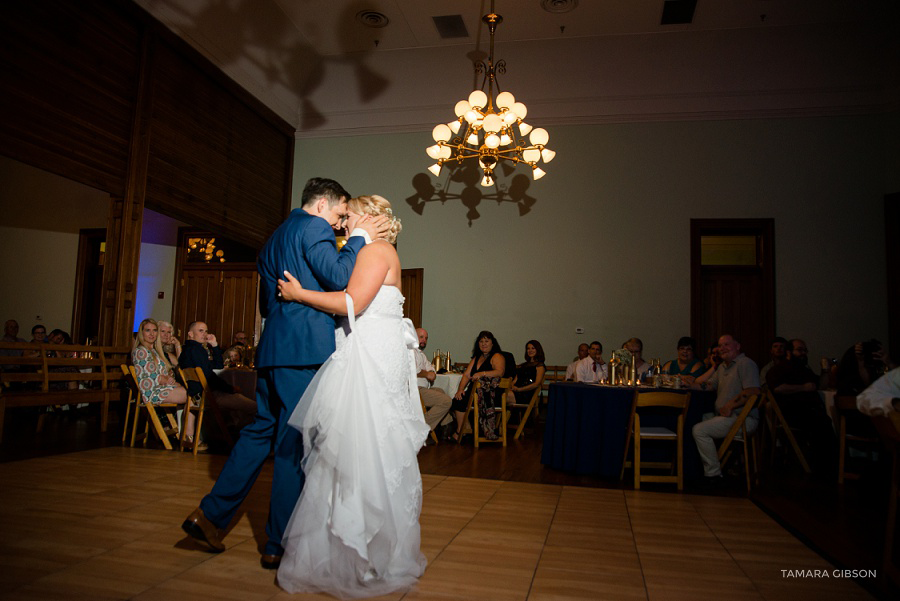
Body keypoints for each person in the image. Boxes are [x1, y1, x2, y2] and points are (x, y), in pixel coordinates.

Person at [181, 177, 388, 570]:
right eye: (341, 211)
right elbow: (339, 277)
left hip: (274, 349)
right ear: (325, 203)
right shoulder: (313, 227)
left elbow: (266, 303)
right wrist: (359, 237)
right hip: (304, 351)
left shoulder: (275, 238)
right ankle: (278, 543)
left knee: (260, 432)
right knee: (295, 442)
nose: (341, 220)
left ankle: (209, 517)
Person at [274, 193, 428, 597]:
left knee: (361, 450)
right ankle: (367, 552)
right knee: (364, 449)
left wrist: (297, 294)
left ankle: (364, 555)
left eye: (350, 214)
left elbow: (350, 304)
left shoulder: (376, 251)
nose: (343, 221)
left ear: (369, 217)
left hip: (371, 360)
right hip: (375, 353)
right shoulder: (379, 250)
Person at [691, 334, 761, 484]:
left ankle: (713, 475)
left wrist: (730, 406)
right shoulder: (723, 366)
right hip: (726, 416)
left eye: (727, 345)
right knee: (695, 419)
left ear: (737, 346)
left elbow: (752, 391)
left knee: (699, 430)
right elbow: (709, 385)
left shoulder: (745, 364)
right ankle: (695, 469)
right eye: (720, 346)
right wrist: (688, 385)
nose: (722, 348)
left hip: (742, 418)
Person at [766, 339, 836, 474]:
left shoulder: (805, 370)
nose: (803, 353)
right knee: (821, 426)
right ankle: (823, 469)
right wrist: (803, 387)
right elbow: (778, 388)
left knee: (826, 424)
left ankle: (829, 467)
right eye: (799, 350)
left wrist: (825, 370)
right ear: (789, 352)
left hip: (812, 412)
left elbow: (820, 386)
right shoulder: (778, 370)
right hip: (794, 413)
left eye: (805, 350)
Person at [132, 318, 195, 445]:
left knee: (192, 393)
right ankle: (188, 437)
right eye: (147, 330)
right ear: (141, 333)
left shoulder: (154, 351)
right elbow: (150, 378)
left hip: (162, 388)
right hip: (152, 392)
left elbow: (165, 374)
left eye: (154, 330)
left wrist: (169, 380)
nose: (151, 333)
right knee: (191, 394)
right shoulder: (140, 351)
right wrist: (165, 379)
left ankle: (188, 436)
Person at [451, 331, 506, 441]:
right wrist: (460, 389)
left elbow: (500, 372)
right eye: (481, 341)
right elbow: (467, 375)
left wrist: (482, 373)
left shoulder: (497, 356)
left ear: (492, 343)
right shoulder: (477, 357)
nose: (483, 344)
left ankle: (460, 432)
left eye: (486, 341)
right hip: (473, 391)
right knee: (457, 399)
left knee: (461, 402)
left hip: (489, 394)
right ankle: (464, 429)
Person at [413, 327, 453, 435]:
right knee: (446, 401)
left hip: (423, 388)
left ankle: (446, 426)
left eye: (426, 338)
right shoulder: (409, 351)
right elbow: (412, 370)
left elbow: (432, 369)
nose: (424, 340)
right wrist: (426, 374)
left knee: (440, 391)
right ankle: (419, 429)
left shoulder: (421, 354)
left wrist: (430, 373)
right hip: (414, 390)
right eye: (421, 337)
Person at [510, 340, 546, 405]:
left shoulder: (540, 366)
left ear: (537, 350)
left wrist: (519, 389)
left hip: (526, 394)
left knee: (502, 397)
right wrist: (511, 386)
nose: (530, 350)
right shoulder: (522, 366)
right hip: (516, 391)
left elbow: (536, 384)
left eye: (533, 348)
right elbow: (515, 380)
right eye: (528, 348)